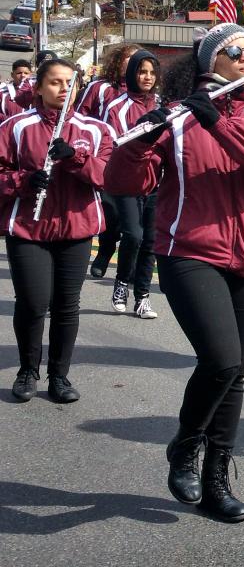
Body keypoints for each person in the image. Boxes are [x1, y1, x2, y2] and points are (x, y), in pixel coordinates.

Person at [106, 23, 244, 522]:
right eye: (238, 51)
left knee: (236, 371)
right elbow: (127, 183)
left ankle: (216, 477)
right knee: (219, 358)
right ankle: (185, 447)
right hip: (190, 252)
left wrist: (219, 124)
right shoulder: (176, 119)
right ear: (212, 63)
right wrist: (139, 142)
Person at [3, 59, 111, 403]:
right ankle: (27, 370)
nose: (64, 89)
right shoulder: (16, 126)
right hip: (28, 227)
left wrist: (76, 160)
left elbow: (109, 175)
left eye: (70, 83)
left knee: (67, 305)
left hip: (75, 228)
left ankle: (59, 376)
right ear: (37, 87)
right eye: (55, 82)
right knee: (33, 303)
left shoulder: (94, 129)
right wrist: (24, 180)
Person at [102, 50, 162, 320]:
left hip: (157, 184)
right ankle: (121, 283)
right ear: (131, 74)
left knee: (150, 242)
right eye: (141, 71)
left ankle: (143, 297)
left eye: (151, 72)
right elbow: (112, 145)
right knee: (133, 236)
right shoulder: (117, 107)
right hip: (126, 183)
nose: (147, 77)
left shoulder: (163, 104)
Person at [81, 45, 140, 279]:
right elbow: (81, 115)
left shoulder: (146, 94)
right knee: (111, 211)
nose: (132, 64)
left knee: (136, 221)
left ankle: (131, 268)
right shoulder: (101, 88)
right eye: (128, 59)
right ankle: (105, 249)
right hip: (106, 157)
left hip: (136, 163)